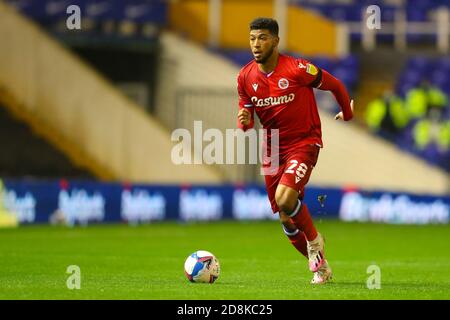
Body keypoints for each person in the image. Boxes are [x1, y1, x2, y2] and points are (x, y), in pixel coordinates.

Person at [236, 18, 353, 284]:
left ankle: (314, 241)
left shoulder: (298, 69)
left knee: (286, 198)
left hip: (304, 142)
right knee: (286, 218)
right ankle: (322, 269)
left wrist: (347, 113)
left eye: (263, 37)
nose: (256, 44)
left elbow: (335, 84)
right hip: (272, 148)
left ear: (276, 41)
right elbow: (246, 115)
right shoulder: (245, 77)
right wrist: (243, 122)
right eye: (253, 38)